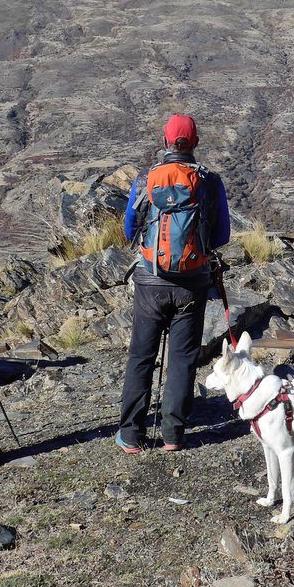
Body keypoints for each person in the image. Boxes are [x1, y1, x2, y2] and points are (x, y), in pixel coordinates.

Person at [117, 114, 230, 453]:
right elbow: (222, 234)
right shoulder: (210, 181)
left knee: (141, 355)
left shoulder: (145, 179)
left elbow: (128, 230)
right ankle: (173, 435)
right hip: (192, 283)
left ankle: (131, 435)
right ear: (194, 143)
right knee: (182, 359)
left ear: (164, 141)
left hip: (150, 280)